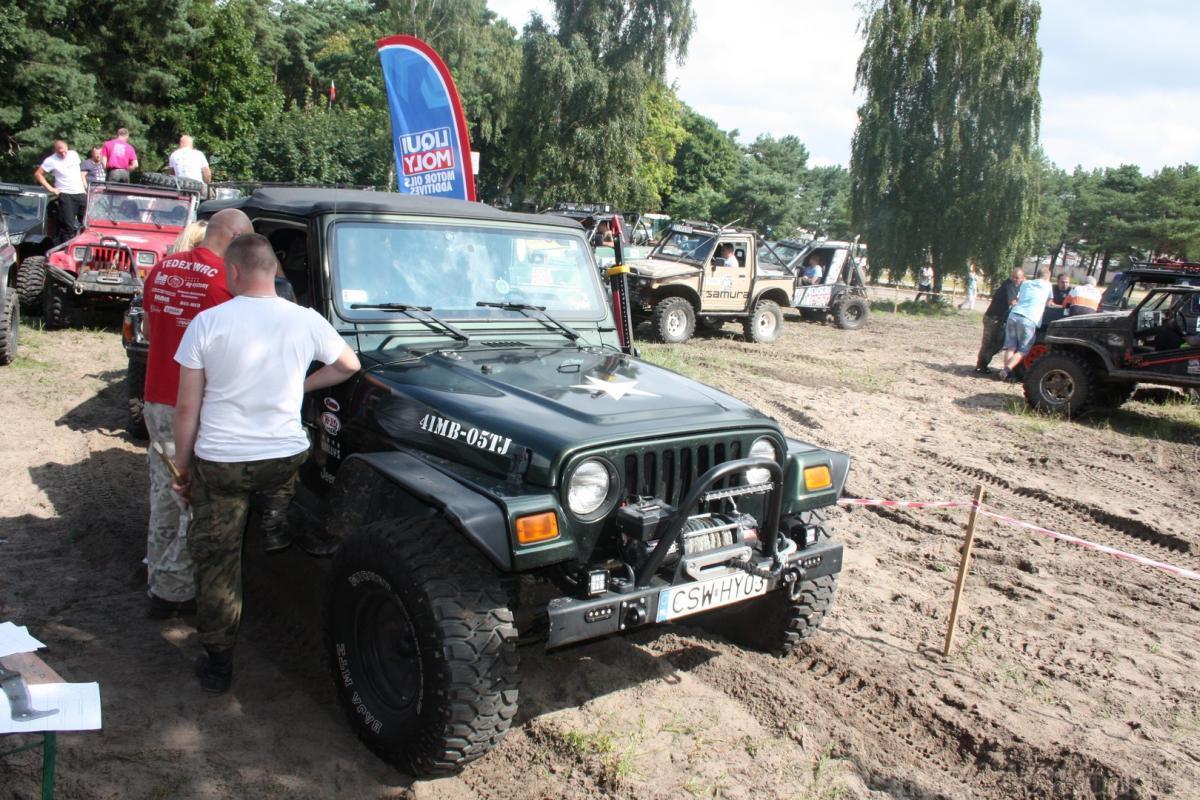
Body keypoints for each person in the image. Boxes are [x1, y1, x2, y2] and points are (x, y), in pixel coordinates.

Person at [173, 233, 360, 693]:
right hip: (283, 456)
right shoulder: (305, 319)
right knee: (281, 470)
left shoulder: (207, 322)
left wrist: (183, 467)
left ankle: (218, 665)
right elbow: (349, 365)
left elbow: (186, 408)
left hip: (223, 463)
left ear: (233, 272)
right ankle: (276, 516)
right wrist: (300, 385)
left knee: (218, 560)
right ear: (274, 271)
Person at [141, 209, 253, 619]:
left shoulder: (163, 269)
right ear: (234, 238)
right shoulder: (227, 282)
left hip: (157, 397)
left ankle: (156, 574)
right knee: (196, 500)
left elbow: (149, 330)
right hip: (197, 405)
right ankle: (174, 593)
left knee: (164, 491)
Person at [1001, 266, 1053, 379]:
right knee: (1023, 350)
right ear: (1048, 277)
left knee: (1011, 347)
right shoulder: (1048, 285)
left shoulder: (1026, 283)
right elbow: (1049, 303)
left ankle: (1006, 374)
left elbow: (1020, 297)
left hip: (1014, 315)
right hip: (1029, 318)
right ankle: (1006, 370)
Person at [34, 140, 87, 244]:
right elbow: (38, 174)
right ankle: (67, 248)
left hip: (80, 193)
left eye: (64, 151)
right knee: (68, 226)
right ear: (55, 151)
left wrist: (85, 187)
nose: (63, 154)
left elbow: (79, 172)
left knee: (87, 223)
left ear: (67, 148)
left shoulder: (74, 154)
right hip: (66, 194)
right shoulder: (50, 160)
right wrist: (51, 188)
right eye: (60, 152)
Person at [975, 268, 1024, 374]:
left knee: (998, 344)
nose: (1015, 279)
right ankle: (981, 366)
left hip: (998, 318)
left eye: (1017, 278)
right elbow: (1012, 302)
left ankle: (982, 364)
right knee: (989, 343)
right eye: (1013, 277)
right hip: (992, 318)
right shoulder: (1009, 285)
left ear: (1022, 278)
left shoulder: (1014, 285)